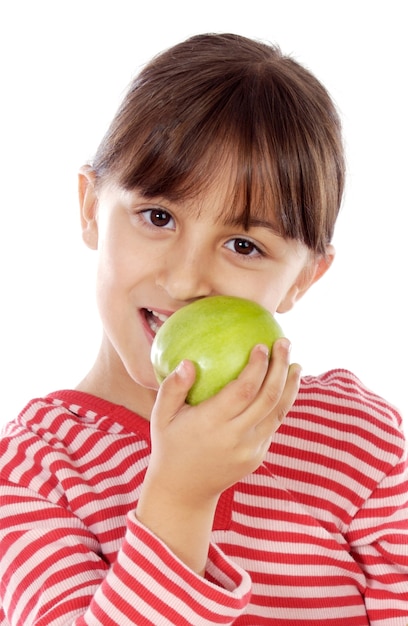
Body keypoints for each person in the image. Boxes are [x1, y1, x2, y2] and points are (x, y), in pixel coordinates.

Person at [0, 32, 407, 626]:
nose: (188, 280)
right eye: (158, 216)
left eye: (244, 245)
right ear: (90, 207)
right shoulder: (33, 472)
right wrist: (180, 498)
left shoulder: (358, 440)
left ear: (304, 279)